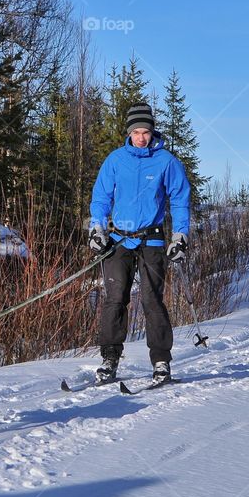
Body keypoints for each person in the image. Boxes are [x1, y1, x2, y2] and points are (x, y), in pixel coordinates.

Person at [88, 102, 191, 384]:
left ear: (152, 132)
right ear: (129, 133)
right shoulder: (116, 160)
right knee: (114, 299)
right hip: (119, 238)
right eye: (136, 132)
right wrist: (97, 228)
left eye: (146, 131)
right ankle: (109, 359)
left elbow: (180, 200)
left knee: (152, 300)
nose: (141, 137)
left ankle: (160, 362)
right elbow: (100, 197)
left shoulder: (167, 161)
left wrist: (180, 236)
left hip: (152, 239)